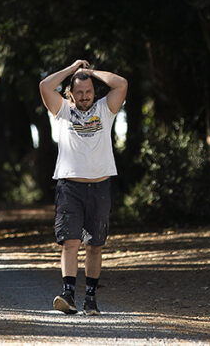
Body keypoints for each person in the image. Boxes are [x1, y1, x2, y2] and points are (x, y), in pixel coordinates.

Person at [39, 59, 128, 316]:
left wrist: (90, 72)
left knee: (95, 245)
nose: (84, 96)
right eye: (79, 92)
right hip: (70, 187)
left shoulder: (105, 109)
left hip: (100, 187)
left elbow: (121, 84)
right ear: (71, 93)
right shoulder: (63, 111)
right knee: (70, 242)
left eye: (88, 91)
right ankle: (68, 294)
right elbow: (45, 86)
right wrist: (73, 68)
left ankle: (90, 298)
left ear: (94, 92)